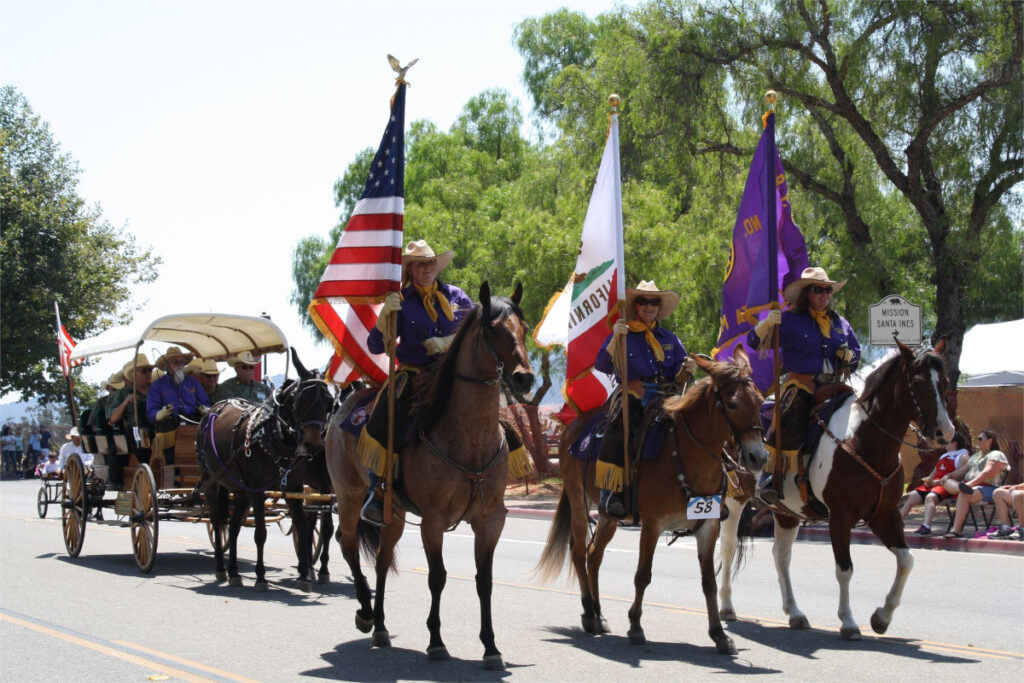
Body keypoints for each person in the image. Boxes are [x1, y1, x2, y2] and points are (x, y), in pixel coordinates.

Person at [358, 239, 474, 524]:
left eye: (430, 262)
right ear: (409, 271)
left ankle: (495, 476)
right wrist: (385, 316)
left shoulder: (457, 296)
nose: (427, 269)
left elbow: (477, 330)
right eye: (419, 264)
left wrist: (447, 342)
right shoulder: (401, 302)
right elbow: (375, 346)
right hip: (415, 373)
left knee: (491, 407)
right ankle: (379, 487)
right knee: (386, 412)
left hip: (454, 373)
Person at [747, 266, 861, 504]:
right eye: (818, 290)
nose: (824, 295)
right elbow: (754, 342)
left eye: (827, 290)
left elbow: (857, 354)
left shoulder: (842, 324)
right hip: (802, 385)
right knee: (789, 415)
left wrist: (850, 357)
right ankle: (769, 476)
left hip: (836, 384)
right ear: (806, 293)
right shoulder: (789, 320)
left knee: (863, 413)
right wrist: (766, 324)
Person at [594, 280, 695, 518]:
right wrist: (615, 341)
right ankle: (610, 492)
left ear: (659, 307)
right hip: (635, 392)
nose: (649, 306)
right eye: (643, 301)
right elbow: (602, 365)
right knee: (622, 423)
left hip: (668, 394)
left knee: (701, 420)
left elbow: (679, 368)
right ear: (636, 306)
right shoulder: (623, 333)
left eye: (654, 302)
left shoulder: (670, 338)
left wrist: (687, 368)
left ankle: (705, 489)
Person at [899, 432, 970, 535]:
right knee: (908, 497)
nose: (944, 443)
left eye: (947, 441)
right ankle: (896, 523)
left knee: (930, 498)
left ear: (955, 443)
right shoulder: (944, 456)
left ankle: (926, 527)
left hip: (946, 486)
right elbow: (934, 472)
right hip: (934, 485)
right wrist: (929, 480)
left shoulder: (963, 456)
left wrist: (939, 482)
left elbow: (959, 475)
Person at [945, 430, 1010, 539]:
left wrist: (970, 484)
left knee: (964, 495)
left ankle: (956, 530)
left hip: (990, 489)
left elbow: (988, 473)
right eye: (977, 438)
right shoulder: (976, 456)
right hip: (972, 487)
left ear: (990, 440)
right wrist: (948, 476)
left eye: (980, 438)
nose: (977, 441)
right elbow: (962, 470)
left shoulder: (996, 454)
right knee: (947, 482)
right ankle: (959, 488)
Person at [107, 353, 156, 484]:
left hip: (157, 427)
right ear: (134, 374)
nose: (148, 373)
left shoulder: (156, 391)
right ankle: (146, 466)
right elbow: (112, 419)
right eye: (144, 370)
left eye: (150, 370)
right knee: (140, 434)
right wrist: (125, 403)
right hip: (133, 431)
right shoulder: (123, 393)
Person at [146, 346, 211, 426]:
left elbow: (206, 403)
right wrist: (161, 414)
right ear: (167, 365)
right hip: (167, 427)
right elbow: (151, 413)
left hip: (192, 424)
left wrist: (205, 409)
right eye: (176, 362)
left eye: (182, 362)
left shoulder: (193, 382)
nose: (180, 365)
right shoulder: (157, 385)